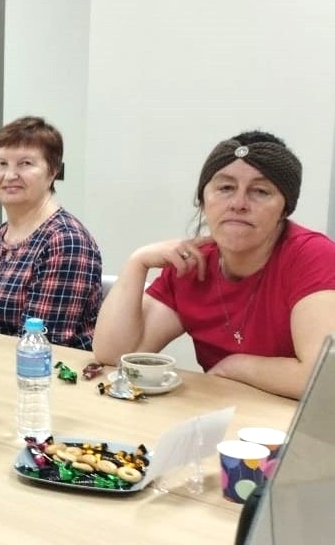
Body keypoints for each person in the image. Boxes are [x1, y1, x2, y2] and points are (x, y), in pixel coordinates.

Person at [94, 130, 335, 399]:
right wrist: (137, 262)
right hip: (225, 413)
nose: (239, 204)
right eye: (225, 188)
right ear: (203, 200)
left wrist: (236, 366)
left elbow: (324, 378)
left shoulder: (312, 255)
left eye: (260, 191)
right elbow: (114, 356)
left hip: (301, 421)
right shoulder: (194, 263)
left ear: (285, 209)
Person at [0, 116, 101, 349]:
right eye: (1, 163)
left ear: (53, 171)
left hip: (42, 369)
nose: (10, 175)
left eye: (25, 163)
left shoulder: (66, 241)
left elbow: (40, 344)